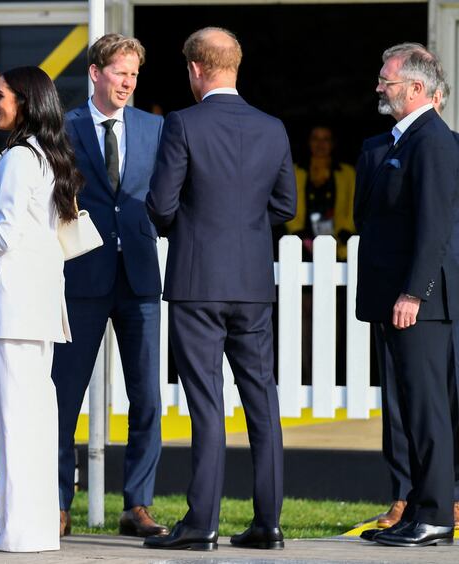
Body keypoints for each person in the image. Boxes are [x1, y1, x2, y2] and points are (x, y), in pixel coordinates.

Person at [143, 27, 296, 551]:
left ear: (195, 69)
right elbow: (285, 206)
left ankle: (201, 523)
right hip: (252, 282)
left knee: (206, 402)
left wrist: (193, 230)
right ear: (236, 66)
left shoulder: (183, 124)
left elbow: (161, 205)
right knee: (263, 401)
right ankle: (269, 523)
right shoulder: (273, 127)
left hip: (196, 282)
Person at [0, 66, 82, 552]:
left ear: (24, 101)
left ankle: (19, 534)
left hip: (16, 306)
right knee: (35, 419)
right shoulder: (47, 155)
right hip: (38, 306)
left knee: (17, 422)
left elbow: (3, 234)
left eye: (0, 96)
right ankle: (34, 529)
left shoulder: (19, 159)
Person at [51, 33, 167, 539]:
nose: (127, 82)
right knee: (64, 395)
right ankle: (57, 501)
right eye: (119, 72)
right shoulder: (65, 126)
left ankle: (137, 505)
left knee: (146, 397)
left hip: (139, 275)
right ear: (95, 73)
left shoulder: (155, 127)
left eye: (134, 75)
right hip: (82, 274)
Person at [354, 43, 459, 548]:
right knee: (409, 411)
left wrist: (414, 293)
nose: (380, 87)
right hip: (398, 301)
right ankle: (419, 507)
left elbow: (434, 227)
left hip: (419, 306)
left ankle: (437, 514)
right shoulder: (402, 141)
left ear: (416, 89)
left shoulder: (432, 141)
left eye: (387, 80)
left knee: (426, 410)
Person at [286, 126, 356, 261]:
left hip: (340, 245)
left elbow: (354, 204)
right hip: (301, 246)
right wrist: (301, 235)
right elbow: (288, 203)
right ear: (308, 142)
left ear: (333, 143)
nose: (320, 144)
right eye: (315, 139)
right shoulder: (295, 171)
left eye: (326, 139)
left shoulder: (347, 172)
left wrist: (343, 234)